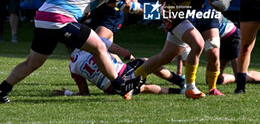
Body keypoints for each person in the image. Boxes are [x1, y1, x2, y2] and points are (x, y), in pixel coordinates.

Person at [0, 0, 141, 103]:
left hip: (42, 17)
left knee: (32, 63)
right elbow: (125, 5)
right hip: (59, 18)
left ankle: (3, 89)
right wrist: (157, 12)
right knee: (99, 46)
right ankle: (119, 85)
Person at [116, 0, 242, 99]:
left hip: (205, 14)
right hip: (177, 14)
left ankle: (212, 88)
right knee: (197, 45)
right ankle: (190, 88)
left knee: (206, 54)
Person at [53, 37, 186, 99]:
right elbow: (122, 51)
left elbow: (84, 92)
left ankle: (179, 92)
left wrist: (68, 93)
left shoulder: (72, 66)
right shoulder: (96, 41)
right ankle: (180, 81)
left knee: (142, 87)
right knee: (146, 62)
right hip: (123, 74)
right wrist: (129, 56)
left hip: (112, 90)